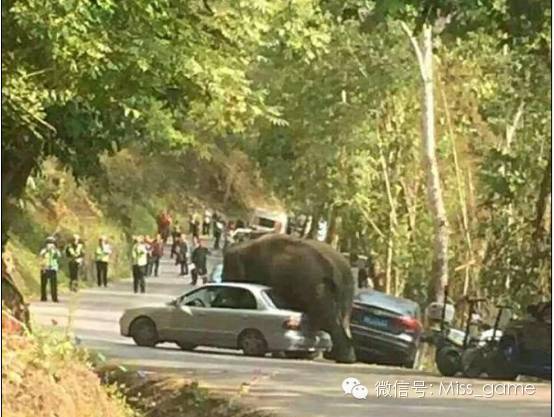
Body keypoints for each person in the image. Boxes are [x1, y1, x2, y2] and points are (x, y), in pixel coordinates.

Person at [39, 236, 61, 302]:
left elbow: (58, 257)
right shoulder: (44, 251)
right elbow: (41, 256)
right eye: (49, 243)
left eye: (52, 243)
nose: (50, 244)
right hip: (45, 268)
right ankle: (43, 297)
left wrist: (54, 250)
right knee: (43, 284)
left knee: (53, 284)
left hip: (53, 269)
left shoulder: (56, 251)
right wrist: (46, 250)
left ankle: (54, 298)